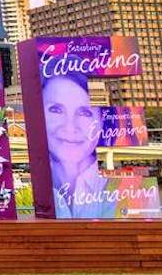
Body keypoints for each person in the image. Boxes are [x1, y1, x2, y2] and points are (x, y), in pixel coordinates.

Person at [42, 72, 114, 218]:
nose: (70, 127)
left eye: (85, 113)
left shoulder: (128, 191)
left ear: (101, 121)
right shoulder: (29, 191)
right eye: (56, 110)